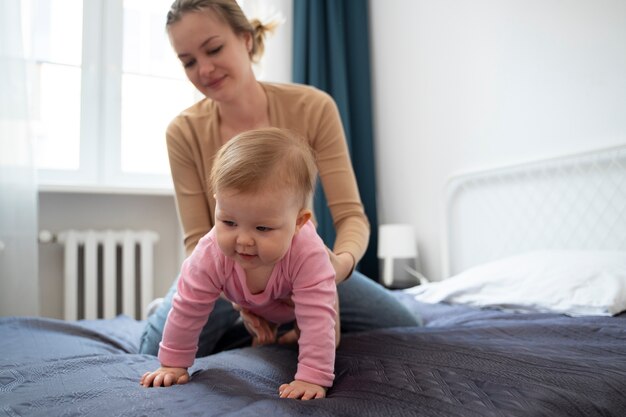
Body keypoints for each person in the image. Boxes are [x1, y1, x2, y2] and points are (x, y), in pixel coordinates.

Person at [139, 0, 419, 360]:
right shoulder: (183, 132)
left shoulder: (313, 107)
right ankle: (182, 310)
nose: (204, 69)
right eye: (189, 61)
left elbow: (351, 217)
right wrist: (243, 299)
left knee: (404, 326)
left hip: (300, 268)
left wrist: (337, 268)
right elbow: (197, 241)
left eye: (214, 49)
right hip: (227, 273)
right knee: (153, 353)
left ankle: (276, 324)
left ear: (247, 40)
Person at [141, 128, 338, 400]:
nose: (243, 240)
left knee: (327, 330)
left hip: (293, 299)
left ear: (298, 223)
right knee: (167, 329)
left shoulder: (308, 254)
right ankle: (159, 308)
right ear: (217, 205)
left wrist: (312, 377)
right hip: (233, 295)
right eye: (229, 222)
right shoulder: (210, 253)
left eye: (263, 228)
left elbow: (316, 317)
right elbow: (189, 307)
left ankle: (287, 332)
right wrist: (173, 363)